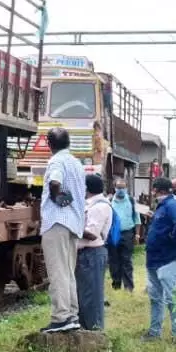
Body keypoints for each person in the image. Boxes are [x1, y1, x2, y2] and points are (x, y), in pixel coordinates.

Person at [39, 127, 86, 333]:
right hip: (74, 223)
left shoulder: (56, 161)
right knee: (68, 271)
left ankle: (60, 317)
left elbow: (54, 181)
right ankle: (72, 315)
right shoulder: (77, 163)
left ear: (49, 145)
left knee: (57, 271)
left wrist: (57, 196)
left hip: (56, 222)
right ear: (69, 143)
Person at [76, 174, 112, 331]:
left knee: (92, 296)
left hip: (92, 254)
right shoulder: (91, 205)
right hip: (86, 254)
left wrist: (72, 226)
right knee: (83, 295)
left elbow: (92, 234)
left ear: (86, 188)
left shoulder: (99, 207)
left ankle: (95, 332)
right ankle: (85, 329)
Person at [143, 177, 176, 340]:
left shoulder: (172, 205)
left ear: (159, 190)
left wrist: (171, 239)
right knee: (156, 298)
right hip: (154, 259)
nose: (152, 192)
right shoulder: (162, 206)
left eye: (154, 189)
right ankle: (154, 332)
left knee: (171, 298)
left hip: (167, 259)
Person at [108, 177, 140, 292]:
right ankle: (116, 284)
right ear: (114, 188)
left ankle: (129, 287)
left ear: (126, 188)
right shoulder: (109, 201)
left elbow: (137, 218)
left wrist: (137, 235)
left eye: (123, 187)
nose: (121, 190)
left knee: (127, 260)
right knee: (114, 260)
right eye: (118, 188)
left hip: (127, 233)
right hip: (113, 234)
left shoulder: (131, 200)